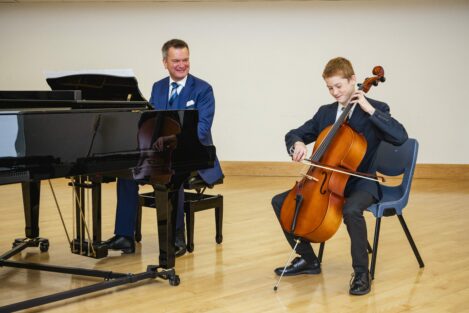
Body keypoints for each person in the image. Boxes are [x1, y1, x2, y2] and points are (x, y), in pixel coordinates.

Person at [271, 57, 408, 295]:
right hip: (325, 181)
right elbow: (294, 133)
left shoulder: (376, 108)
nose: (334, 92)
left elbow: (400, 137)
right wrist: (298, 144)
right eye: (330, 88)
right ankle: (308, 260)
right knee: (281, 201)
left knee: (351, 210)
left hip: (361, 183)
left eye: (339, 86)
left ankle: (362, 273)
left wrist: (369, 109)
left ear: (353, 80)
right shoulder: (325, 113)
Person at [104, 39, 223, 257]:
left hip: (193, 156)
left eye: (185, 60)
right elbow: (151, 123)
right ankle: (124, 236)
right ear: (165, 63)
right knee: (127, 173)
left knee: (171, 173)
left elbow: (202, 130)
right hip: (158, 154)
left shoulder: (203, 89)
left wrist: (169, 142)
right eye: (176, 60)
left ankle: (176, 236)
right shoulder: (158, 87)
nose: (181, 65)